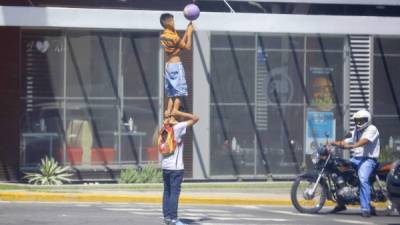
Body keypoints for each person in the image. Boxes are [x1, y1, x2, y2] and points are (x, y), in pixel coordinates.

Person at [330, 109, 380, 217]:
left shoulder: (372, 129)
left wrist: (352, 146)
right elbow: (345, 141)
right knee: (337, 169)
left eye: (361, 120)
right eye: (357, 120)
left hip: (368, 159)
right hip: (356, 158)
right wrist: (333, 143)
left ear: (367, 120)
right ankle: (341, 203)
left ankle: (366, 209)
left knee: (362, 179)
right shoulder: (355, 131)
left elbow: (364, 141)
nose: (359, 123)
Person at [162, 111, 199, 225]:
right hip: (176, 167)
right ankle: (173, 219)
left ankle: (167, 217)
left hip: (166, 165)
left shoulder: (164, 128)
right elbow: (195, 118)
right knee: (174, 192)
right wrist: (181, 113)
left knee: (167, 191)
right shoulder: (178, 127)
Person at [160, 13, 193, 123]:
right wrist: (190, 32)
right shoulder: (173, 36)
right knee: (179, 92)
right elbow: (187, 46)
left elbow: (179, 45)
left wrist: (186, 32)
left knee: (171, 93)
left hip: (168, 66)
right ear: (168, 23)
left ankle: (167, 116)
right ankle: (174, 115)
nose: (174, 23)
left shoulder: (164, 36)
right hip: (176, 65)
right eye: (173, 21)